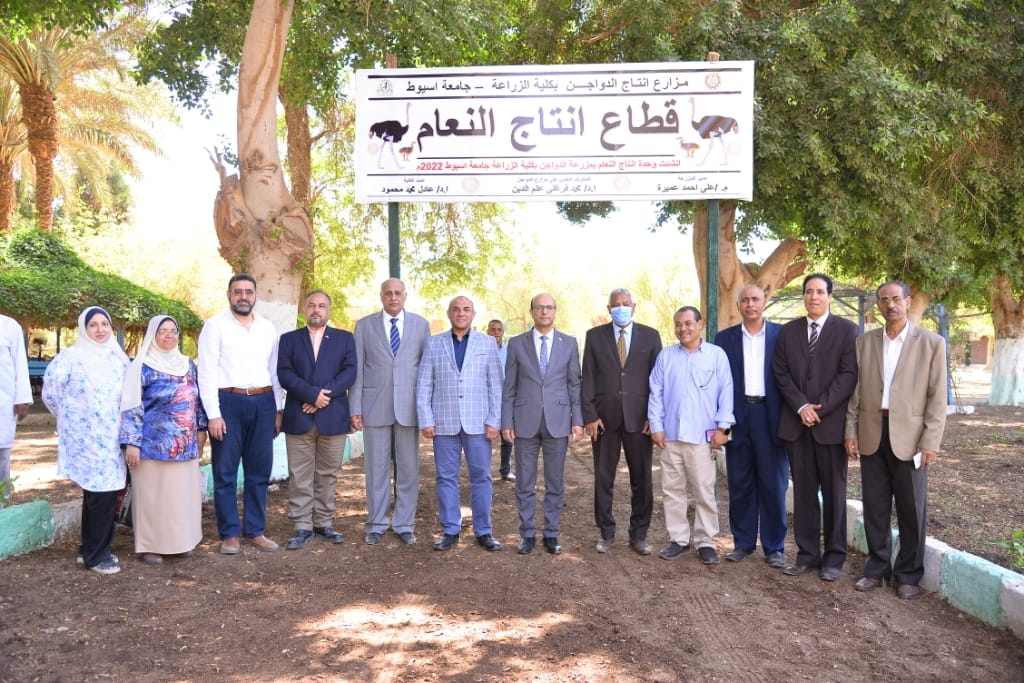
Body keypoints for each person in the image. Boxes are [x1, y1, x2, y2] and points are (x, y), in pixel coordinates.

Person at [845, 281, 947, 599]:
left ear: (908, 301)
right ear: (878, 305)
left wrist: (930, 441)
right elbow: (856, 392)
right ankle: (876, 569)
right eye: (884, 300)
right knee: (875, 506)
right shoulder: (865, 342)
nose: (890, 305)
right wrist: (850, 430)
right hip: (872, 432)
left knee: (911, 509)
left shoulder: (931, 343)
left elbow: (937, 398)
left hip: (912, 438)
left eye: (895, 299)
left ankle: (908, 575)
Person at [773, 273, 859, 581]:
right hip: (797, 425)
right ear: (804, 296)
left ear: (830, 297)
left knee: (834, 495)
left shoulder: (847, 330)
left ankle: (834, 559)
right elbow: (780, 372)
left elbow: (848, 375)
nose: (814, 297)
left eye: (820, 292)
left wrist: (820, 407)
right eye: (809, 291)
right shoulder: (788, 331)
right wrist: (801, 406)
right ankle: (807, 555)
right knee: (804, 494)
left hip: (830, 427)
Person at [198, 273, 284, 555]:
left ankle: (255, 531)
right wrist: (213, 414)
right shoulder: (214, 326)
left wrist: (278, 408)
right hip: (228, 403)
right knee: (225, 471)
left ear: (255, 295)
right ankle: (230, 534)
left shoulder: (267, 328)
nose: (243, 297)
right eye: (238, 292)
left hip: (263, 402)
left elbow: (274, 371)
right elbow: (206, 372)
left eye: (248, 292)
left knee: (259, 471)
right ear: (229, 295)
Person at [42, 307, 129, 575]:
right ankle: (97, 555)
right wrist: (74, 420)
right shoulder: (70, 358)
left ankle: (88, 549)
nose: (100, 329)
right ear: (84, 328)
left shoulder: (118, 358)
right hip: (85, 438)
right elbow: (51, 394)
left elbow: (129, 396)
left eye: (105, 324)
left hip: (113, 436)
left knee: (100, 494)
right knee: (100, 493)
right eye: (93, 325)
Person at [417, 296, 504, 552]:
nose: (461, 313)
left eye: (466, 309)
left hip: (479, 423)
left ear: (473, 314)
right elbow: (424, 384)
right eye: (456, 309)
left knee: (482, 477)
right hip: (443, 423)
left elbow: (496, 386)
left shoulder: (487, 343)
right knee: (446, 478)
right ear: (449, 313)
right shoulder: (433, 343)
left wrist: (494, 420)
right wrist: (426, 418)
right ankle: (450, 529)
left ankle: (484, 530)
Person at [648, 306, 734, 565]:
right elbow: (656, 393)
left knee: (704, 491)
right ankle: (679, 539)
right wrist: (656, 426)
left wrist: (724, 429)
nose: (682, 328)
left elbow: (726, 393)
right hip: (671, 436)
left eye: (687, 323)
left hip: (702, 438)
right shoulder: (666, 356)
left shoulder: (716, 356)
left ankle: (706, 541)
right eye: (678, 324)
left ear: (699, 325)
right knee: (672, 490)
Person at [120, 316, 207, 566]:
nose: (169, 336)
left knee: (180, 498)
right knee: (153, 498)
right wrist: (132, 442)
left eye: (173, 331)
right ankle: (151, 546)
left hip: (185, 444)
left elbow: (197, 400)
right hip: (152, 446)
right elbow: (132, 406)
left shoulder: (187, 365)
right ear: (152, 335)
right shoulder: (141, 366)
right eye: (163, 331)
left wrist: (201, 431)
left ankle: (180, 543)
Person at [581, 288, 661, 556]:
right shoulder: (594, 337)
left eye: (626, 303)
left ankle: (639, 535)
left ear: (634, 306)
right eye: (616, 304)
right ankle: (606, 532)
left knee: (642, 480)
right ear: (609, 309)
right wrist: (590, 416)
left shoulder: (651, 336)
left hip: (640, 421)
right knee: (603, 479)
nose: (621, 307)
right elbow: (587, 377)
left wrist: (654, 417)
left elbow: (658, 381)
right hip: (605, 421)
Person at [500, 293, 583, 555]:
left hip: (558, 421)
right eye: (539, 307)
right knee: (524, 482)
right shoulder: (516, 343)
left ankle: (551, 533)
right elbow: (509, 386)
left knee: (555, 482)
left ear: (555, 311)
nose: (544, 312)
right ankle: (526, 534)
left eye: (549, 307)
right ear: (532, 312)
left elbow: (574, 384)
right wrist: (506, 420)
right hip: (524, 420)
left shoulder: (569, 343)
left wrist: (578, 420)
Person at [350, 278, 430, 546]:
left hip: (409, 407)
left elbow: (426, 370)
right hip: (374, 405)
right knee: (376, 468)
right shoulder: (364, 326)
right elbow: (358, 369)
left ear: (405, 296)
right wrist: (355, 407)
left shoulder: (420, 325)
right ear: (381, 296)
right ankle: (376, 523)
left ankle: (405, 524)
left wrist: (426, 409)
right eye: (388, 293)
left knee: (408, 469)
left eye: (397, 293)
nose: (393, 297)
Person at [277, 290, 357, 550]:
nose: (316, 309)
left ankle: (324, 522)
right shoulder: (289, 339)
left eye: (322, 306)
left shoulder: (345, 338)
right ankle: (302, 525)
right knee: (299, 474)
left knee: (328, 473)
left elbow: (350, 372)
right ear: (305, 309)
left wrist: (322, 397)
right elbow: (284, 373)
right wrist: (311, 395)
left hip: (333, 417)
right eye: (312, 305)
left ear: (329, 311)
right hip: (298, 416)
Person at [716, 285, 789, 568]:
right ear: (738, 305)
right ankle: (743, 543)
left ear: (764, 302)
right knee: (740, 483)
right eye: (745, 300)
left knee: (773, 485)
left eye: (755, 299)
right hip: (737, 416)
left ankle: (774, 548)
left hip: (772, 416)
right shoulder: (724, 339)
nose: (750, 304)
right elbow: (718, 385)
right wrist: (720, 428)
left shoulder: (782, 335)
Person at [0, 314, 32, 508]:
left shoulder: (9, 326)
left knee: (2, 454)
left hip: (3, 402)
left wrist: (22, 398)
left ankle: (1, 504)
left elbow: (20, 363)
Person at [487, 318, 514, 482]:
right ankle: (485, 472)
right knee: (485, 437)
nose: (496, 332)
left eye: (499, 330)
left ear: (503, 332)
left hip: (506, 398)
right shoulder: (482, 350)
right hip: (487, 398)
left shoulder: (509, 351)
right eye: (493, 329)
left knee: (507, 435)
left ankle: (505, 470)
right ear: (488, 332)